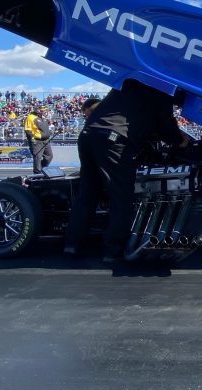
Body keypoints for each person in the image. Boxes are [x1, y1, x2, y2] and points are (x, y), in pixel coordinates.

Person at [63, 81, 190, 264]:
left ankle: (72, 245)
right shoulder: (162, 90)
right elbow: (166, 126)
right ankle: (112, 251)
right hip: (113, 139)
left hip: (88, 135)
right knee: (121, 196)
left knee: (88, 192)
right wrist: (179, 140)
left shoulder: (130, 82)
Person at [24, 105, 53, 173]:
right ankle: (37, 173)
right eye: (41, 110)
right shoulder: (30, 117)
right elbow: (27, 130)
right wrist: (32, 139)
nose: (43, 111)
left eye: (44, 110)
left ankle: (41, 169)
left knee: (49, 156)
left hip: (46, 140)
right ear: (37, 110)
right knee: (37, 157)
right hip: (37, 141)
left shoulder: (43, 118)